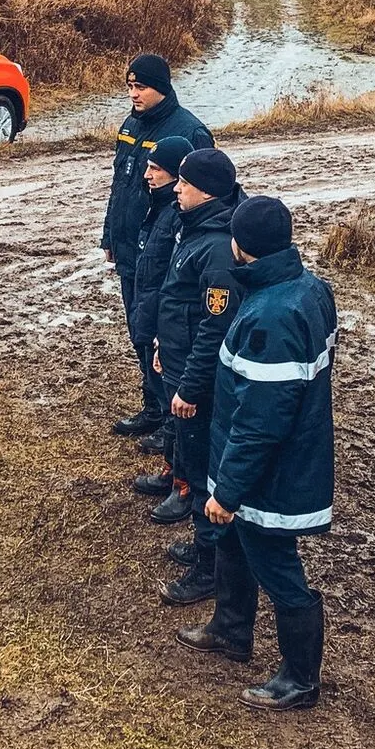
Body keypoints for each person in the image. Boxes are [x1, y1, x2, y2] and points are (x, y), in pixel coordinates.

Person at [176, 196, 336, 713]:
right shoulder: (309, 289)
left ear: (242, 246)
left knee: (276, 563)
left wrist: (229, 489)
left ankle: (300, 678)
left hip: (271, 472)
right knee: (234, 541)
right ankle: (230, 629)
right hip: (265, 457)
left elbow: (261, 421)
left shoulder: (271, 317)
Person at [101, 54, 213, 442]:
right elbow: (120, 187)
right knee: (139, 330)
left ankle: (172, 420)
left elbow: (201, 200)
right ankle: (153, 406)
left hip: (168, 256)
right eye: (130, 87)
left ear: (161, 87)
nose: (133, 94)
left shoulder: (190, 133)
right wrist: (110, 236)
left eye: (140, 87)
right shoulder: (130, 126)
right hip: (132, 250)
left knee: (168, 337)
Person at [153, 147, 244, 598]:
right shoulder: (195, 229)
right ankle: (203, 548)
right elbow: (180, 302)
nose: (177, 188)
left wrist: (188, 385)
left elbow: (213, 328)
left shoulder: (216, 247)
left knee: (204, 467)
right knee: (190, 458)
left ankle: (210, 570)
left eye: (184, 183)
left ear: (205, 191)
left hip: (198, 383)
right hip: (178, 362)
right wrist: (161, 348)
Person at [128, 135, 192, 498]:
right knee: (164, 395)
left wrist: (158, 332)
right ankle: (172, 468)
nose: (147, 175)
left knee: (175, 406)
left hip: (162, 321)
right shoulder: (158, 206)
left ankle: (181, 481)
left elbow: (173, 281)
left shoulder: (177, 216)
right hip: (150, 312)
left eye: (156, 169)